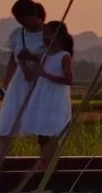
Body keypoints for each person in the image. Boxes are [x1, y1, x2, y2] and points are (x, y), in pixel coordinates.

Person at [0, 0, 47, 172]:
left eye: (24, 18)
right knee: (5, 131)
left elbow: (60, 57)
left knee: (45, 132)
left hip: (43, 83)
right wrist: (4, 87)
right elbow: (12, 62)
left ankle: (44, 172)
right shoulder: (16, 34)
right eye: (19, 19)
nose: (22, 23)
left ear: (34, 15)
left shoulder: (50, 32)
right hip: (19, 84)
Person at [20, 20, 74, 169]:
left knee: (52, 132)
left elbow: (68, 80)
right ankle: (44, 164)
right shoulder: (43, 54)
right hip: (42, 96)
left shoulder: (64, 56)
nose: (44, 37)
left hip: (56, 98)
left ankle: (48, 165)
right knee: (42, 133)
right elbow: (30, 76)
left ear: (57, 36)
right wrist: (24, 61)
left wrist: (45, 74)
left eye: (47, 34)